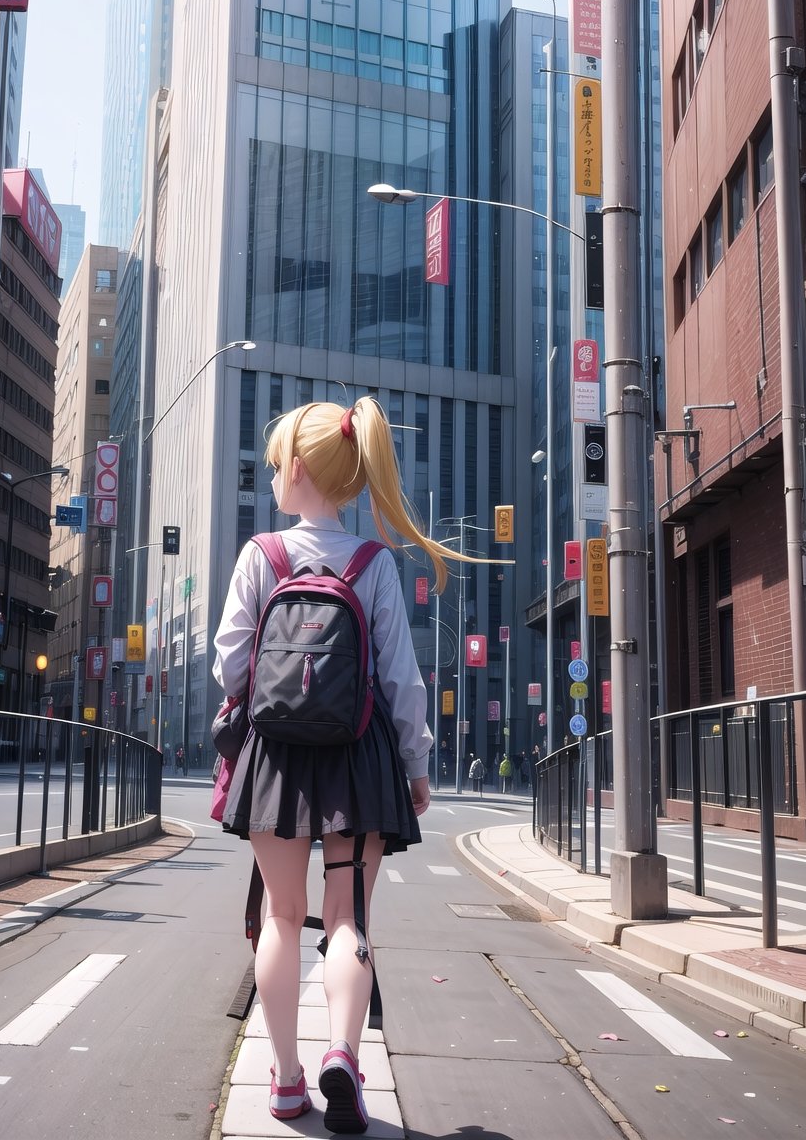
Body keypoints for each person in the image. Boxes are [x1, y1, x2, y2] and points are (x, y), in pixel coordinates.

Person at [213, 398, 475, 1132]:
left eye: (272, 467)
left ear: (296, 469)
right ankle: (343, 1055)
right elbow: (400, 679)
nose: (271, 478)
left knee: (280, 917)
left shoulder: (259, 556)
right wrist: (417, 766)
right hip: (359, 759)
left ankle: (288, 1080)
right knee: (348, 919)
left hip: (275, 760)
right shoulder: (374, 565)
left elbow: (229, 665)